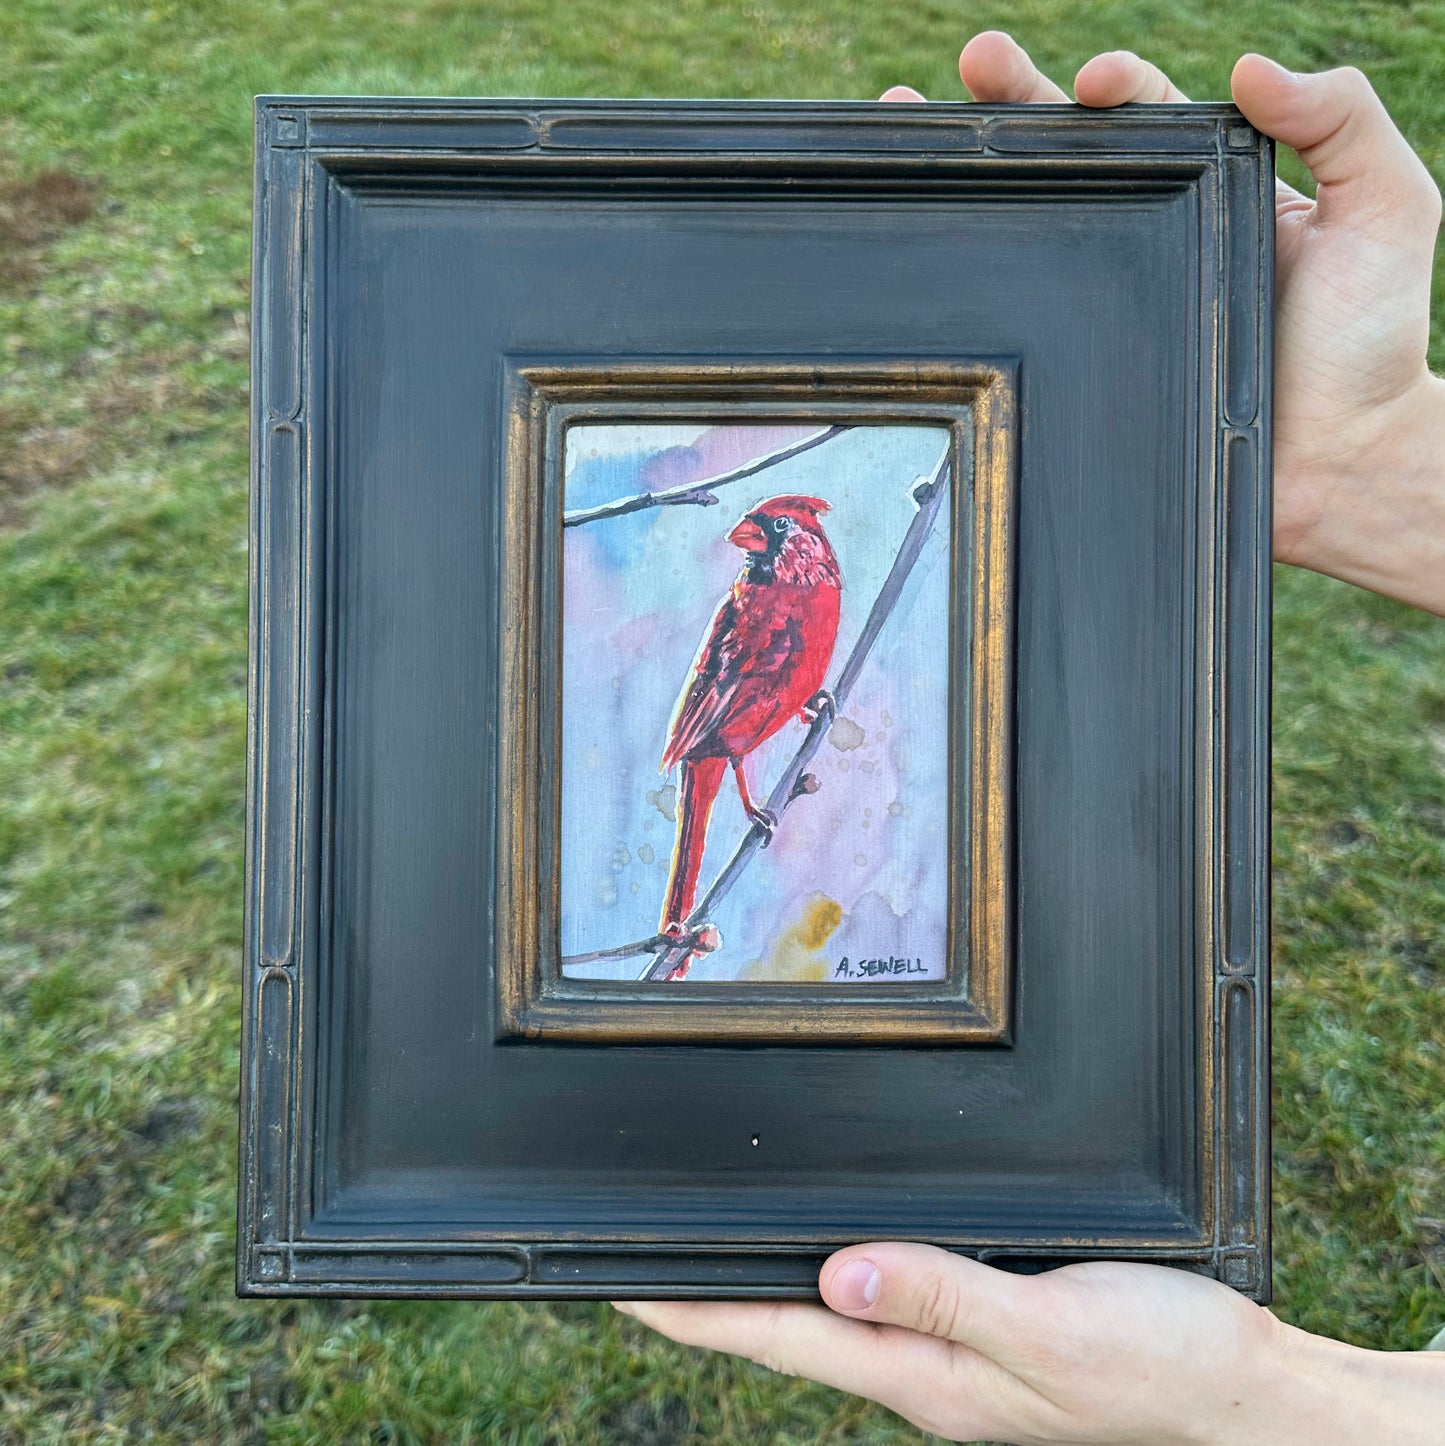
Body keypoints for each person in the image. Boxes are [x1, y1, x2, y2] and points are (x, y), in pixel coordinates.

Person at [613, 32, 1445, 1445]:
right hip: (725, 751)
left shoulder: (798, 591)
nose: (758, 543)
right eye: (761, 530)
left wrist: (1282, 1409)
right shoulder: (755, 603)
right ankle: (686, 905)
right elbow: (712, 710)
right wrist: (1354, 464)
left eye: (773, 530)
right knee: (712, 800)